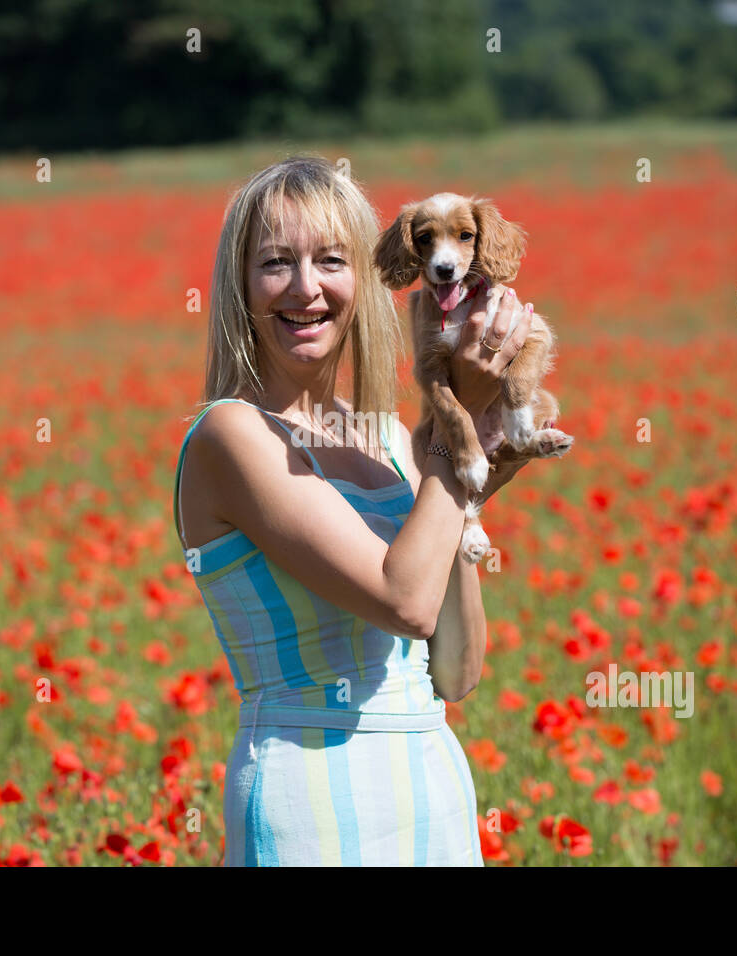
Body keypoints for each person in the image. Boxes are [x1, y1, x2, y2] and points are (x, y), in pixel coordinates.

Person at [172, 155, 539, 865]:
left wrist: (462, 482)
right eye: (275, 263)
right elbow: (403, 599)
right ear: (240, 287)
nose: (306, 288)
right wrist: (457, 422)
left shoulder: (393, 441)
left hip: (431, 797)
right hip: (309, 806)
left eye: (332, 261)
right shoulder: (233, 436)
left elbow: (456, 672)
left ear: (365, 279)